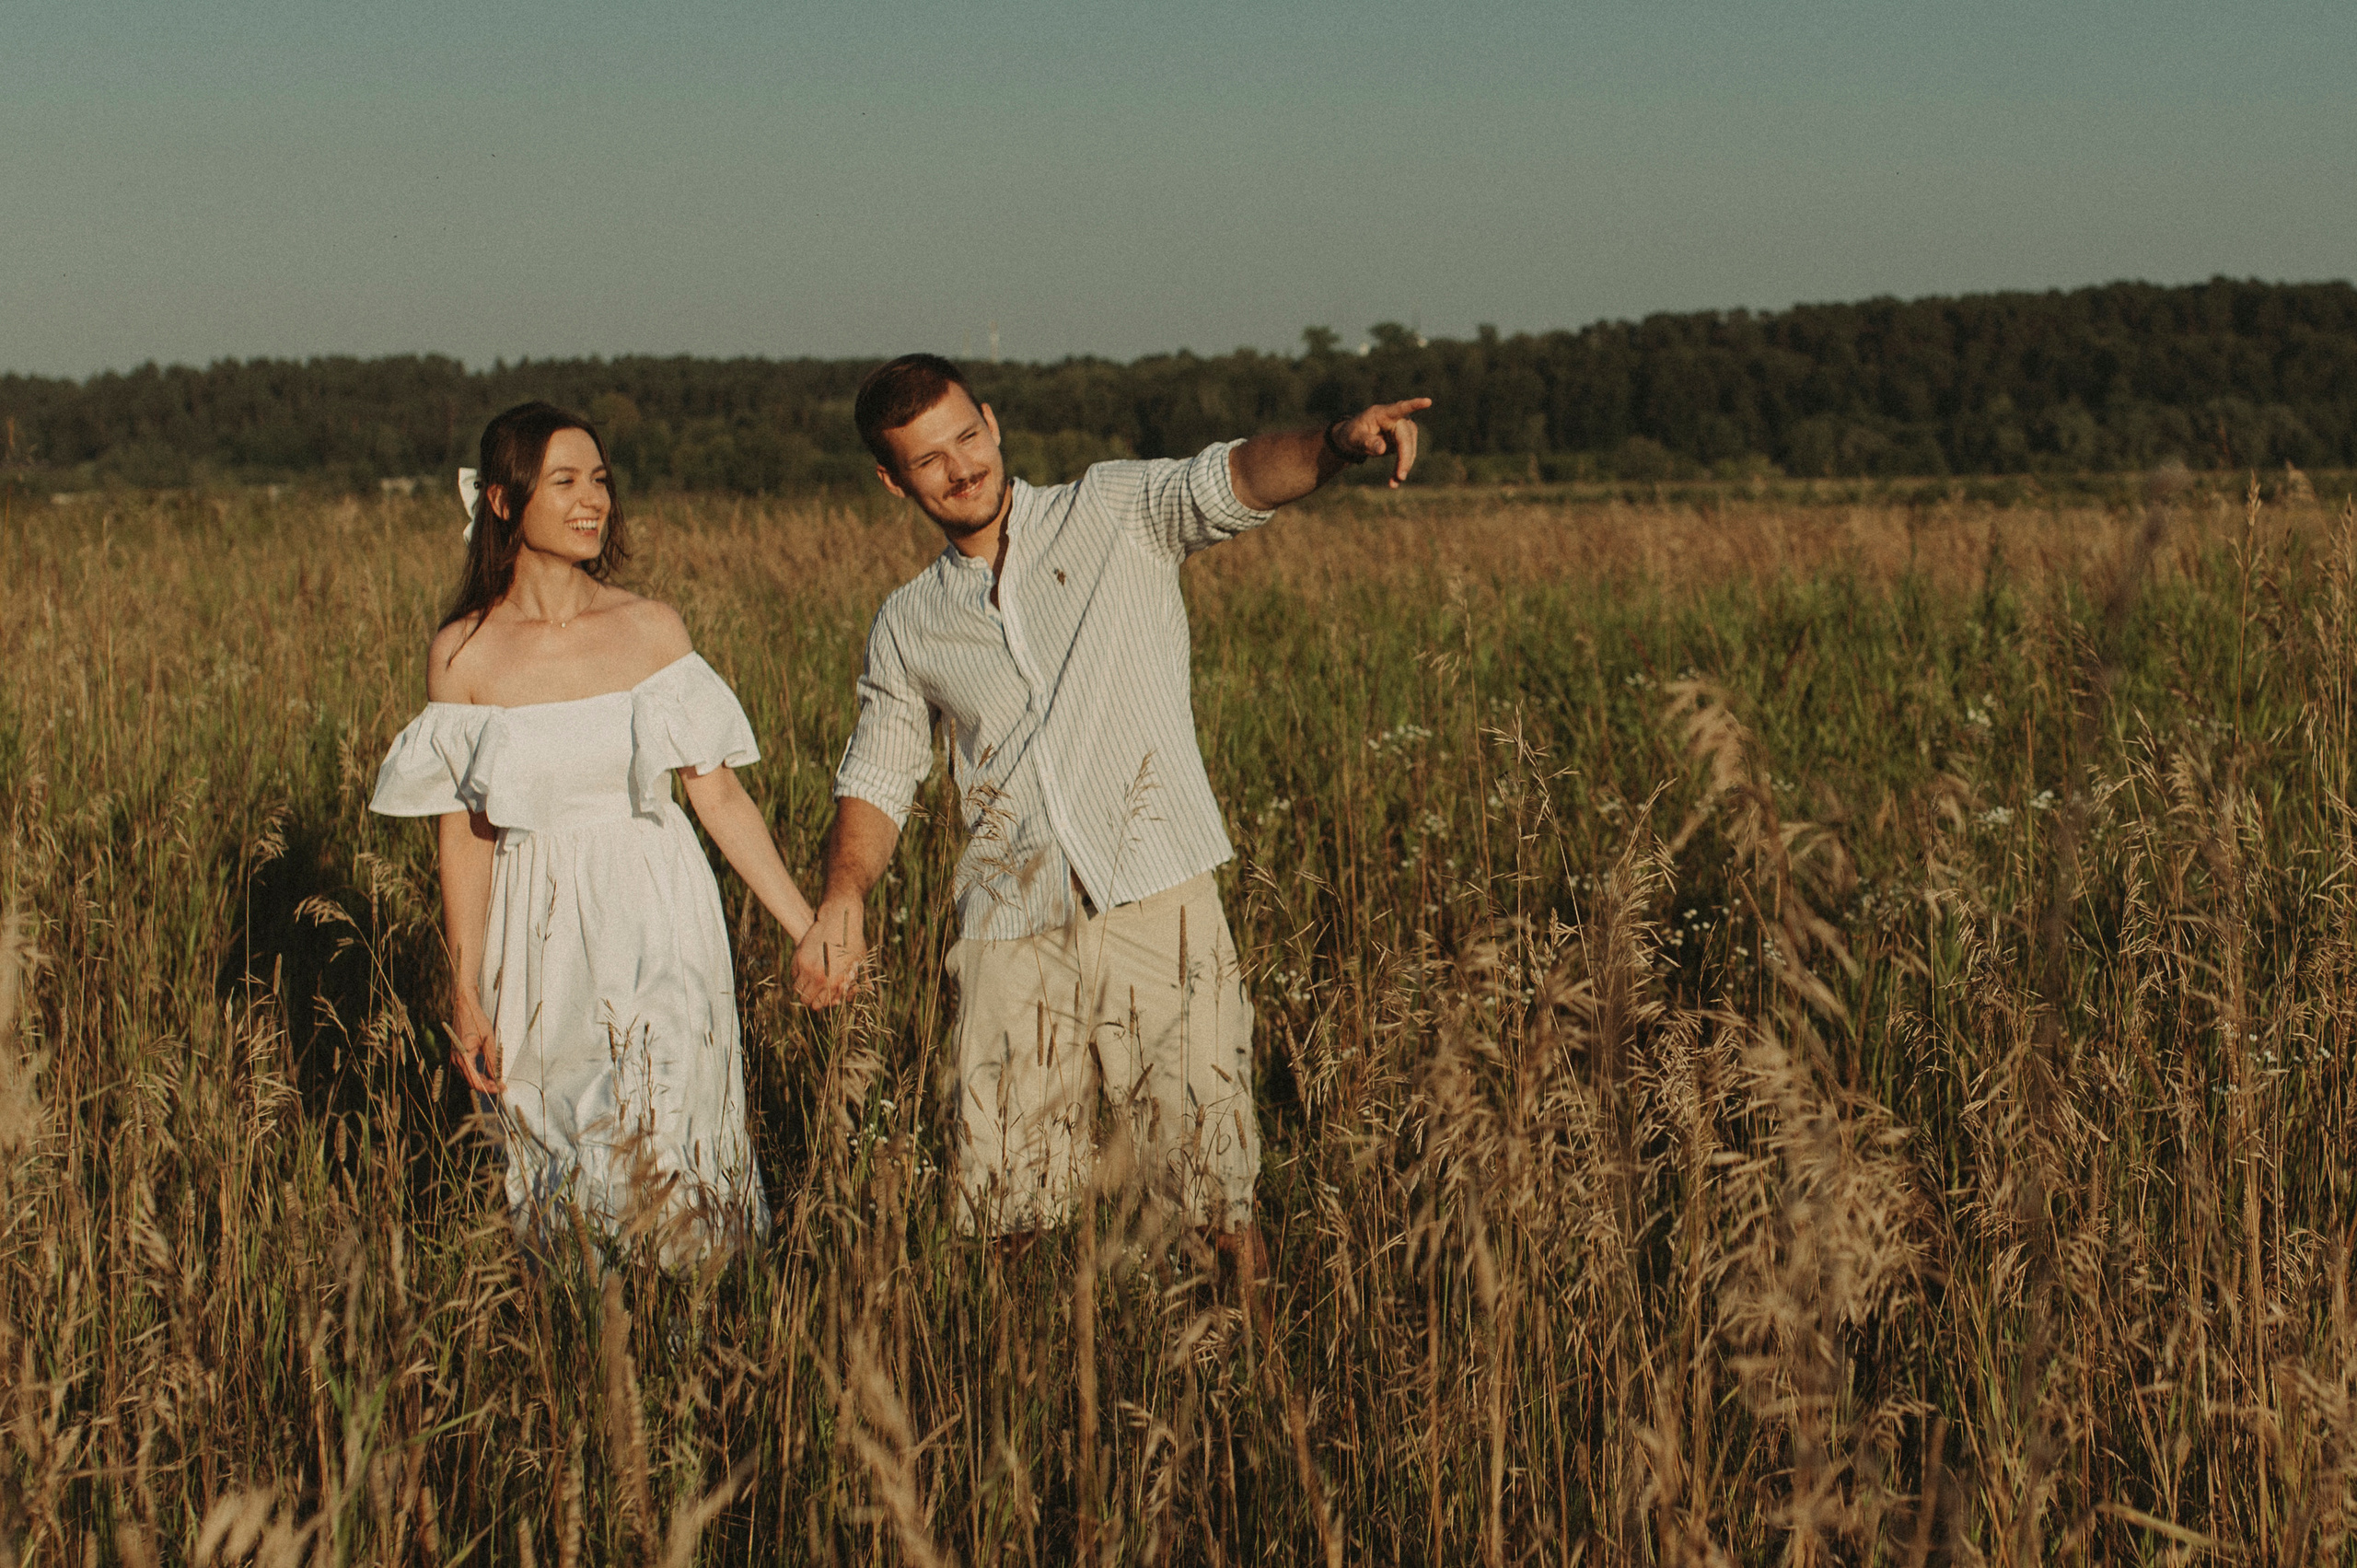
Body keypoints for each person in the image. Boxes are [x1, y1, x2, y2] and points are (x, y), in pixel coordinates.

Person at [791, 354, 1427, 1286]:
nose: (961, 467)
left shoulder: (1113, 509)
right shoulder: (908, 622)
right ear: (894, 481)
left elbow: (1235, 478)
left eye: (966, 437)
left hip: (1158, 899)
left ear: (992, 422)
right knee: (1005, 1206)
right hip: (1009, 926)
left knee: (1212, 1190)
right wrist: (843, 892)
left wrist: (1337, 442)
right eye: (928, 458)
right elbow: (880, 776)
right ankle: (1034, 1372)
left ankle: (1252, 1363)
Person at [371, 401, 816, 1262]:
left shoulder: (650, 628)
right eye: (566, 481)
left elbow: (719, 797)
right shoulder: (464, 652)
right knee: (560, 1143)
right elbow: (467, 833)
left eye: (601, 480)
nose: (593, 501)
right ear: (503, 500)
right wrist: (464, 987)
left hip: (656, 907)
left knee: (676, 1118)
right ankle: (589, 1325)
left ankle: (700, 1317)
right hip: (536, 927)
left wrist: (806, 927)